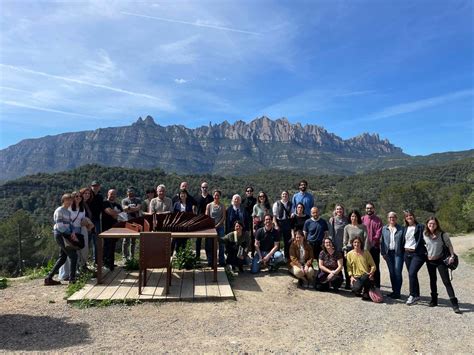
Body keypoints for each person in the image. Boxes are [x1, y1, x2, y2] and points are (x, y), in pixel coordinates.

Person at [423, 217, 461, 313]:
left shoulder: (443, 234)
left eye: (434, 224)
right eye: (430, 224)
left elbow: (449, 246)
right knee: (432, 280)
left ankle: (454, 304)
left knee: (446, 281)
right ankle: (434, 300)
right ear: (427, 224)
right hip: (430, 261)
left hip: (440, 260)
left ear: (437, 224)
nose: (432, 225)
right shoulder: (424, 234)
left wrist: (452, 256)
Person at [44, 193, 78, 285]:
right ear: (63, 201)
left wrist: (73, 232)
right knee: (73, 256)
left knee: (63, 258)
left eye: (71, 200)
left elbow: (71, 225)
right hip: (61, 235)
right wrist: (70, 234)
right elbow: (60, 226)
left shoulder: (68, 212)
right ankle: (72, 279)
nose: (69, 202)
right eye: (67, 200)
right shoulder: (59, 210)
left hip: (66, 236)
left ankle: (48, 278)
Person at [59, 191, 88, 281]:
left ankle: (75, 272)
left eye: (79, 196)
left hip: (79, 231)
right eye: (76, 196)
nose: (78, 197)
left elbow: (82, 219)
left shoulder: (82, 208)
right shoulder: (69, 208)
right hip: (70, 232)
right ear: (72, 198)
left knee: (77, 253)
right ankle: (65, 274)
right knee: (69, 253)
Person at [402, 210, 427, 306]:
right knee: (412, 274)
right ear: (405, 218)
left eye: (410, 215)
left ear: (414, 216)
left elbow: (427, 235)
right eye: (407, 216)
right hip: (406, 253)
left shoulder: (420, 227)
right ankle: (417, 295)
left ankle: (412, 295)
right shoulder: (405, 228)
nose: (409, 217)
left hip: (417, 254)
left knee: (412, 273)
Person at [381, 212, 404, 299]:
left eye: (393, 217)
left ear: (396, 218)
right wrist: (383, 253)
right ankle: (394, 291)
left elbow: (403, 241)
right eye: (390, 217)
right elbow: (382, 242)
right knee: (392, 273)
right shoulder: (384, 229)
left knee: (397, 272)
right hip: (388, 253)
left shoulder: (401, 229)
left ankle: (397, 292)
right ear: (388, 219)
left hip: (398, 253)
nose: (392, 219)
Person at [343, 209, 368, 289]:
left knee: (359, 267)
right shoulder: (347, 227)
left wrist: (365, 250)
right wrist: (345, 251)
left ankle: (359, 284)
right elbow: (345, 241)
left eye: (355, 216)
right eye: (352, 216)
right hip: (350, 249)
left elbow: (366, 239)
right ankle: (348, 282)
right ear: (350, 217)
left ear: (358, 217)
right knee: (349, 266)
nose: (354, 218)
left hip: (360, 249)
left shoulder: (363, 227)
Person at [346, 236, 376, 301]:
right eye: (355, 242)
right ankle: (359, 290)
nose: (356, 244)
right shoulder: (349, 254)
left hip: (365, 274)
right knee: (355, 289)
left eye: (358, 242)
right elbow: (349, 268)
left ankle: (366, 292)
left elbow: (373, 265)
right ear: (352, 243)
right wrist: (351, 277)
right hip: (356, 276)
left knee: (365, 278)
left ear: (361, 243)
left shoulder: (366, 253)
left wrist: (372, 273)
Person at [361, 202, 383, 288]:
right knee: (365, 266)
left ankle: (377, 286)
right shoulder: (362, 219)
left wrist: (372, 242)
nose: (369, 209)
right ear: (365, 209)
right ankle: (366, 285)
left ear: (374, 209)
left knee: (375, 267)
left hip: (374, 247)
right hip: (364, 247)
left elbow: (378, 233)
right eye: (367, 208)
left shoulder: (378, 220)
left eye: (370, 208)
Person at [102, 189, 123, 271]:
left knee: (112, 246)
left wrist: (115, 214)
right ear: (108, 194)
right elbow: (110, 212)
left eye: (114, 194)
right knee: (107, 245)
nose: (112, 195)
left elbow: (122, 215)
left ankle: (111, 263)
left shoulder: (118, 205)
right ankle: (106, 263)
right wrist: (115, 214)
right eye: (111, 194)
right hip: (106, 228)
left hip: (116, 228)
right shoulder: (105, 203)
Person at [205, 190, 226, 266]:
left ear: (220, 196)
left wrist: (217, 225)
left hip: (220, 227)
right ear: (213, 196)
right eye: (215, 195)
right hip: (210, 227)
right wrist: (212, 225)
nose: (216, 196)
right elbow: (206, 217)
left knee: (221, 244)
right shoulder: (209, 205)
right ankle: (210, 261)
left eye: (218, 195)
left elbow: (223, 217)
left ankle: (221, 261)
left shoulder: (222, 206)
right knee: (210, 244)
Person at [121, 187, 142, 262]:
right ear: (127, 192)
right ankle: (124, 257)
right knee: (126, 240)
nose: (130, 192)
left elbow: (138, 208)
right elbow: (124, 209)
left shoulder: (138, 200)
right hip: (127, 222)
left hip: (136, 222)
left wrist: (129, 208)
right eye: (129, 191)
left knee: (133, 241)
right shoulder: (124, 200)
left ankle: (132, 256)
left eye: (132, 191)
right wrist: (132, 208)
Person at [195, 181, 213, 260]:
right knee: (198, 240)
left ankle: (208, 258)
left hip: (208, 221)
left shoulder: (211, 198)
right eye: (203, 187)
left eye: (206, 187)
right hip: (198, 221)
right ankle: (197, 257)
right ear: (201, 188)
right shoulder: (197, 198)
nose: (204, 189)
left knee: (208, 241)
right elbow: (194, 208)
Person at [273, 191, 293, 263]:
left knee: (287, 241)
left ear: (288, 196)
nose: (285, 195)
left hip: (287, 223)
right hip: (279, 222)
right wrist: (276, 225)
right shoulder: (276, 204)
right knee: (277, 240)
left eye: (286, 194)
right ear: (281, 196)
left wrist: (292, 215)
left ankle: (286, 257)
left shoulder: (291, 204)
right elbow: (274, 216)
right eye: (283, 194)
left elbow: (292, 213)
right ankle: (277, 257)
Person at [89, 180, 103, 263]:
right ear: (91, 186)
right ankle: (83, 262)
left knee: (96, 241)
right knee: (87, 240)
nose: (95, 187)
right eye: (94, 186)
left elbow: (102, 208)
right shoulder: (88, 195)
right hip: (88, 221)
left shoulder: (100, 196)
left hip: (97, 220)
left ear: (99, 187)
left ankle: (96, 261)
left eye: (97, 186)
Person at [242, 186, 257, 254]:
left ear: (252, 192)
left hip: (253, 220)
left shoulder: (255, 200)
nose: (249, 192)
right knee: (244, 237)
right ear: (246, 192)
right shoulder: (243, 200)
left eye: (250, 191)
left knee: (253, 237)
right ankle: (244, 253)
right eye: (248, 191)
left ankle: (253, 253)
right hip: (245, 221)